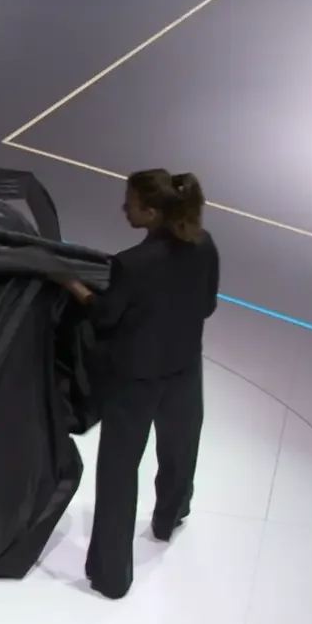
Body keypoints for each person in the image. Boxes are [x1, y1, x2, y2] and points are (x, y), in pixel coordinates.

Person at [77, 169, 220, 600]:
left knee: (119, 473)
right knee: (180, 450)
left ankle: (112, 575)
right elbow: (207, 306)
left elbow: (104, 317)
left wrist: (73, 287)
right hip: (184, 369)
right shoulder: (204, 245)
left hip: (134, 380)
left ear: (153, 212)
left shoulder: (131, 264)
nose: (125, 208)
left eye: (132, 203)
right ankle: (169, 517)